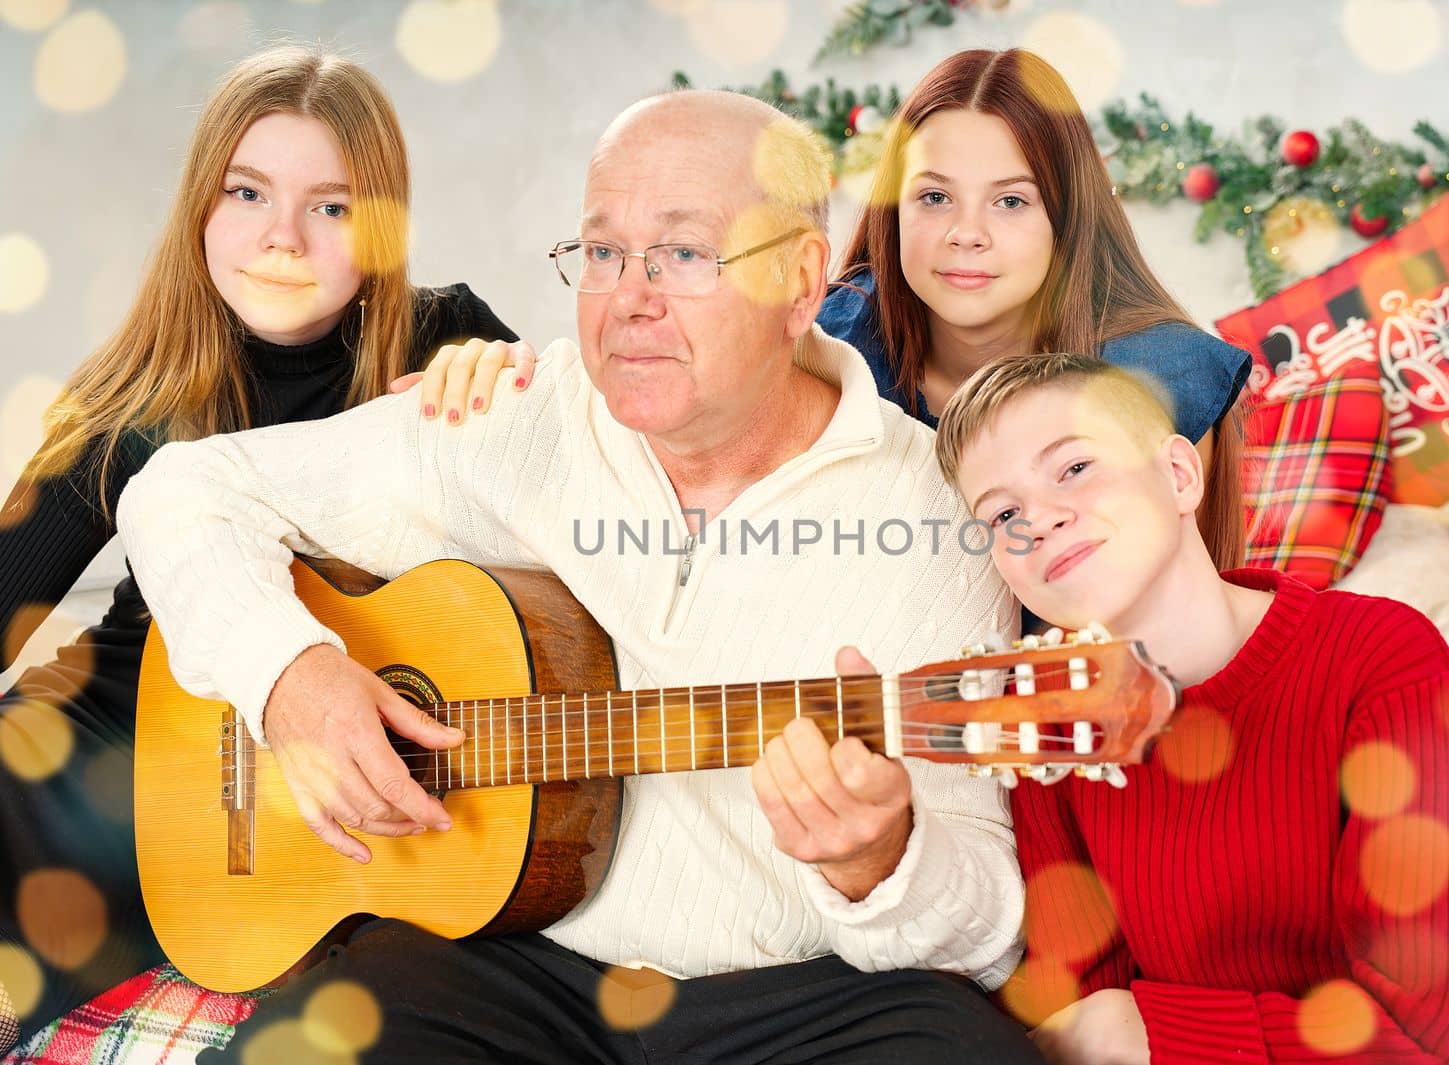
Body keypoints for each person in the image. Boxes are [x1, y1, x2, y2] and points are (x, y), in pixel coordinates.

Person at [116, 89, 1039, 1064]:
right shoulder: (515, 415)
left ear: (800, 283)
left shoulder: (937, 512)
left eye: (682, 255)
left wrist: (879, 861)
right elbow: (183, 490)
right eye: (601, 254)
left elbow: (984, 928)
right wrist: (286, 675)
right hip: (516, 960)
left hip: (796, 1002)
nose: (627, 300)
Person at [0, 45, 525, 1048]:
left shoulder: (450, 346)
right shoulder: (126, 401)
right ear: (202, 204)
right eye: (248, 192)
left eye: (329, 206)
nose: (282, 238)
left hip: (263, 805)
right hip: (96, 749)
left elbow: (562, 575)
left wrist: (522, 408)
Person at [925, 351, 1449, 1064]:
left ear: (1178, 474)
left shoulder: (1378, 658)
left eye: (1074, 467)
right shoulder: (1047, 721)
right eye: (1003, 513)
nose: (1039, 519)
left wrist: (1154, 1032)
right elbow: (1081, 1013)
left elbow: (1439, 1038)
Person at [440, 49, 1252, 574]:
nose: (965, 235)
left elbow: (1173, 610)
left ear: (1066, 216)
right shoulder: (830, 327)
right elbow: (664, 361)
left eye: (1009, 201)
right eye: (933, 197)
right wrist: (512, 376)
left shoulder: (1154, 374)